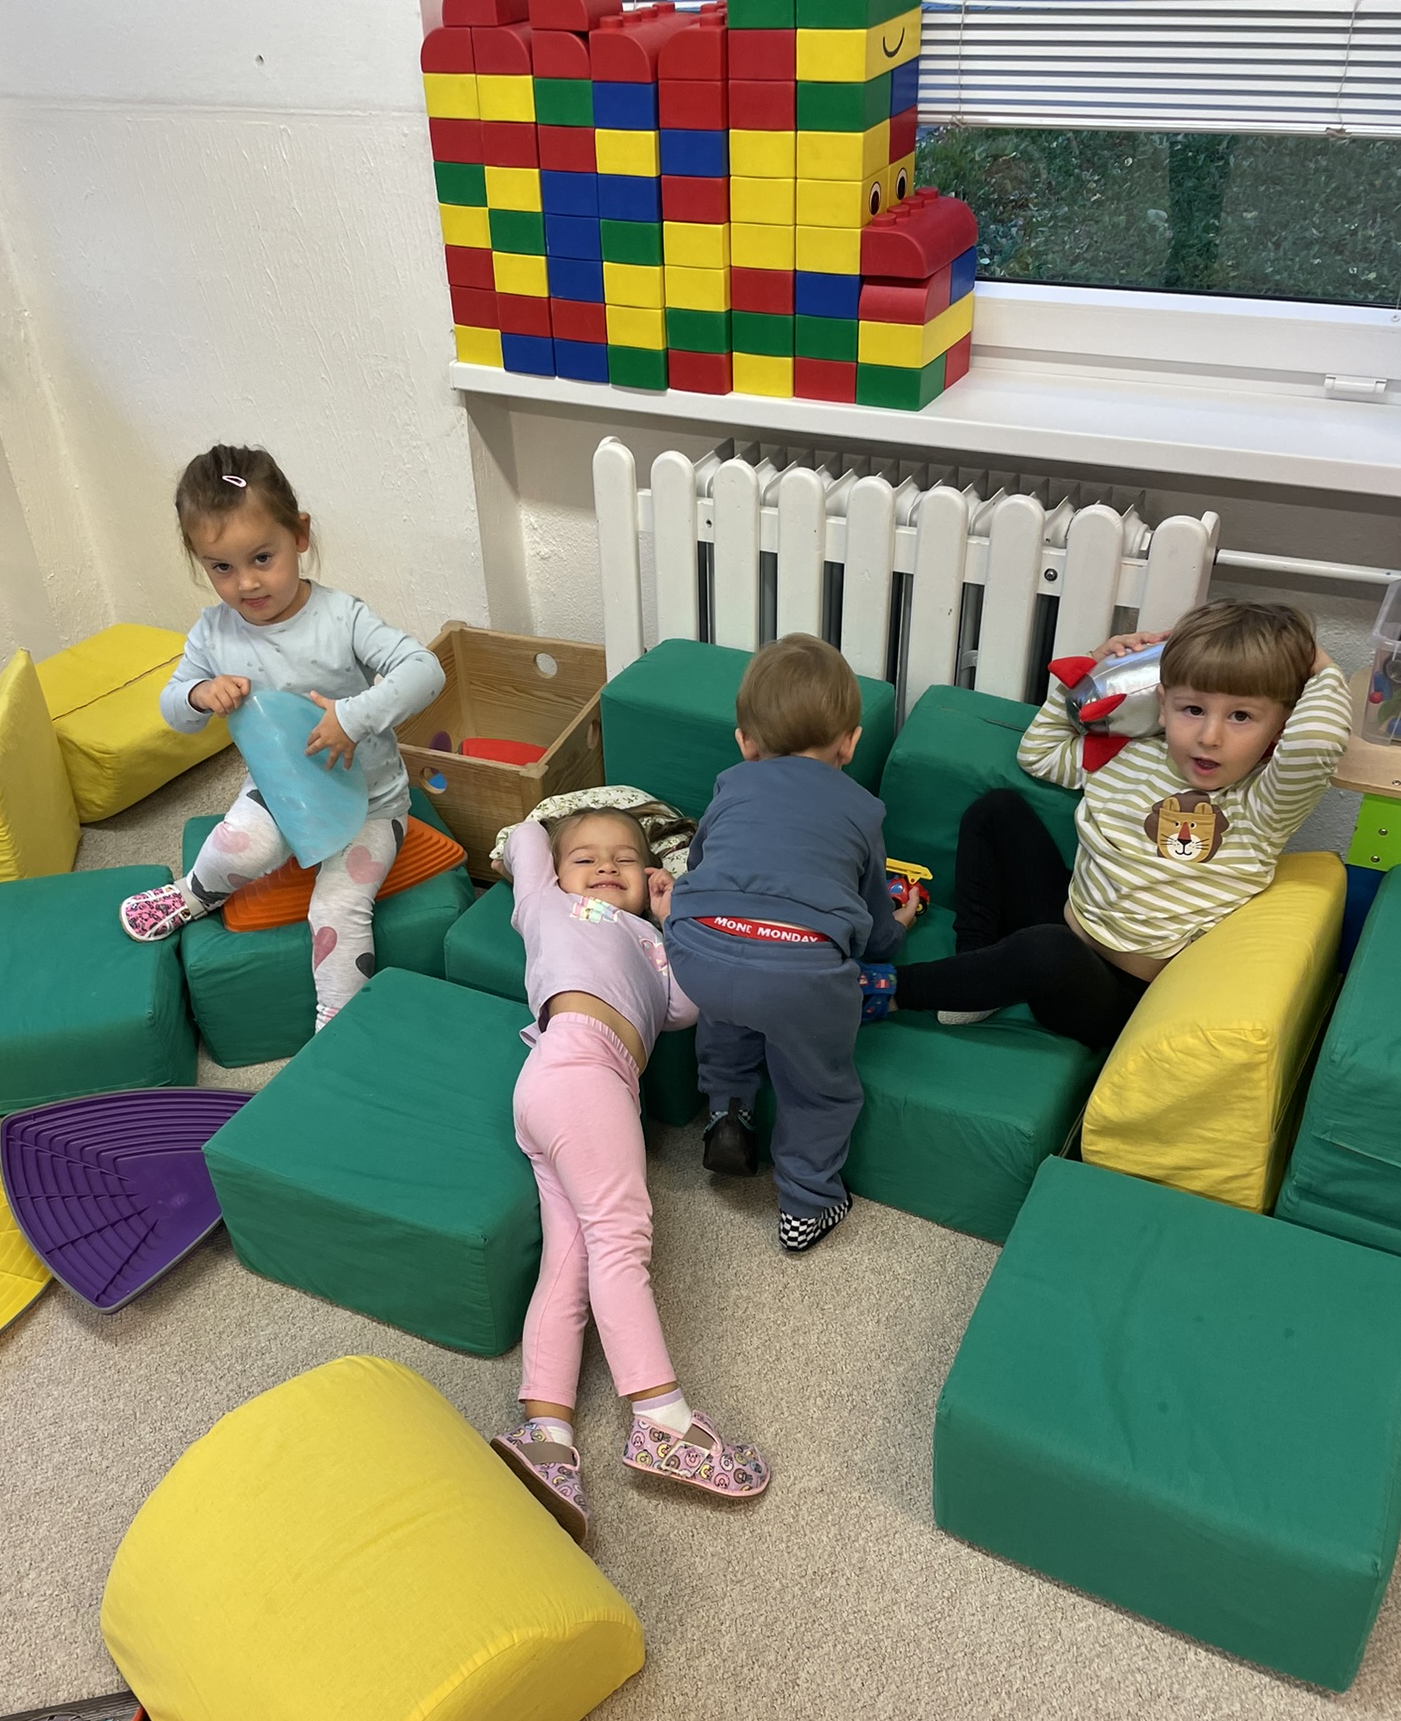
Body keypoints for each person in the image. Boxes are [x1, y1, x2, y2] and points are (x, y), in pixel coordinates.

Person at [891, 600, 1353, 1048]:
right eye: (1193, 710)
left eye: (1241, 716)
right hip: (1065, 921)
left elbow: (1316, 742)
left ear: (1281, 726)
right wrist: (1095, 668)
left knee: (1047, 950)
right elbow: (1039, 753)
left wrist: (1318, 664)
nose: (1209, 737)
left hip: (1117, 995)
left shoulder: (1263, 803)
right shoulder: (1131, 754)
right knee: (996, 810)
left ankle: (886, 990)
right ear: (1163, 703)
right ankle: (975, 969)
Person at [491, 807, 769, 1545]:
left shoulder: (651, 943)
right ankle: (662, 1417)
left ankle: (545, 1435)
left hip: (570, 1087)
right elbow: (525, 838)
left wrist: (673, 921)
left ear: (649, 878)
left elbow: (684, 1006)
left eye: (624, 858)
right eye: (585, 857)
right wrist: (546, 833)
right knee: (622, 1240)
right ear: (558, 873)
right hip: (577, 1064)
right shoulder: (544, 903)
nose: (606, 866)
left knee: (572, 1258)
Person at [118, 445, 443, 1031]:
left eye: (262, 558)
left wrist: (352, 717)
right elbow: (174, 710)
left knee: (338, 909)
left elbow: (425, 670)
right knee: (237, 848)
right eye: (221, 567)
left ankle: (336, 1023)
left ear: (300, 535)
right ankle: (194, 894)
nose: (246, 582)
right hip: (277, 791)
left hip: (370, 802)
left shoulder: (342, 617)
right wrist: (199, 694)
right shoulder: (212, 632)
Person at [664, 636, 918, 1255]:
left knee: (729, 1000)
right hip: (799, 969)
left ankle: (727, 1113)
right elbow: (872, 922)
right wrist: (900, 925)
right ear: (851, 743)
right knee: (818, 1084)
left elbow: (701, 863)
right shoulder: (863, 810)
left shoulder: (730, 785)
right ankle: (808, 1203)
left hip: (696, 946)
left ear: (745, 742)